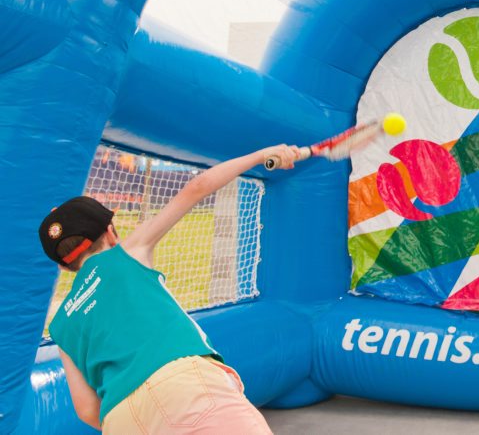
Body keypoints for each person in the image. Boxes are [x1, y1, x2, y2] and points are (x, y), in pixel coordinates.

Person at [39, 143, 302, 433]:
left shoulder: (60, 324)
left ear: (63, 266)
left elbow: (87, 410)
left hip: (119, 418)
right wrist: (262, 155)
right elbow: (198, 187)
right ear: (111, 232)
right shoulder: (126, 253)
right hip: (181, 386)